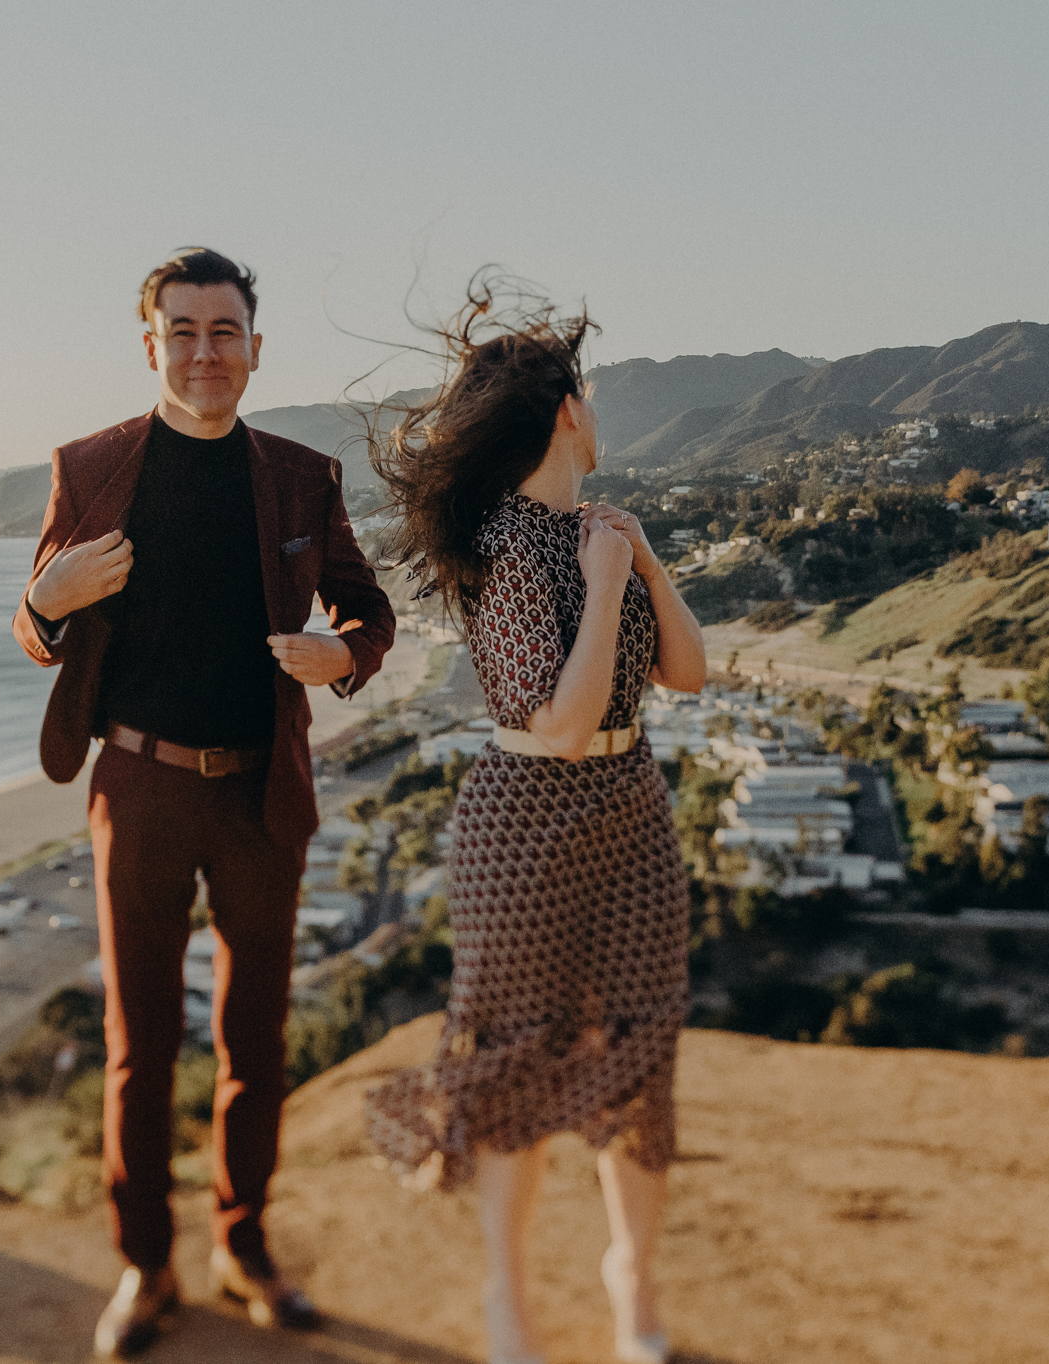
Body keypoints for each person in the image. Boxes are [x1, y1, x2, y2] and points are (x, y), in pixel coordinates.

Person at [13, 248, 395, 1357]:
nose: (203, 350)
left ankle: (243, 1243)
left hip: (260, 791)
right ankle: (144, 1264)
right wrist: (42, 597)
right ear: (151, 347)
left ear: (255, 348)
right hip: (135, 784)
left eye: (222, 330)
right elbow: (37, 624)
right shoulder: (89, 467)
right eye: (181, 330)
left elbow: (367, 612)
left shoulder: (297, 476)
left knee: (254, 1037)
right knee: (139, 1045)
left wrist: (345, 655)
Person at [363, 285, 705, 1364]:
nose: (598, 417)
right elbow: (556, 722)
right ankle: (507, 1300)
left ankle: (630, 1280)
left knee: (640, 1047)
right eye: (590, 398)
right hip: (525, 827)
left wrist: (641, 561)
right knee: (514, 1063)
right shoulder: (510, 546)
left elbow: (685, 673)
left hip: (631, 810)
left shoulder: (598, 530)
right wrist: (605, 587)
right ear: (562, 408)